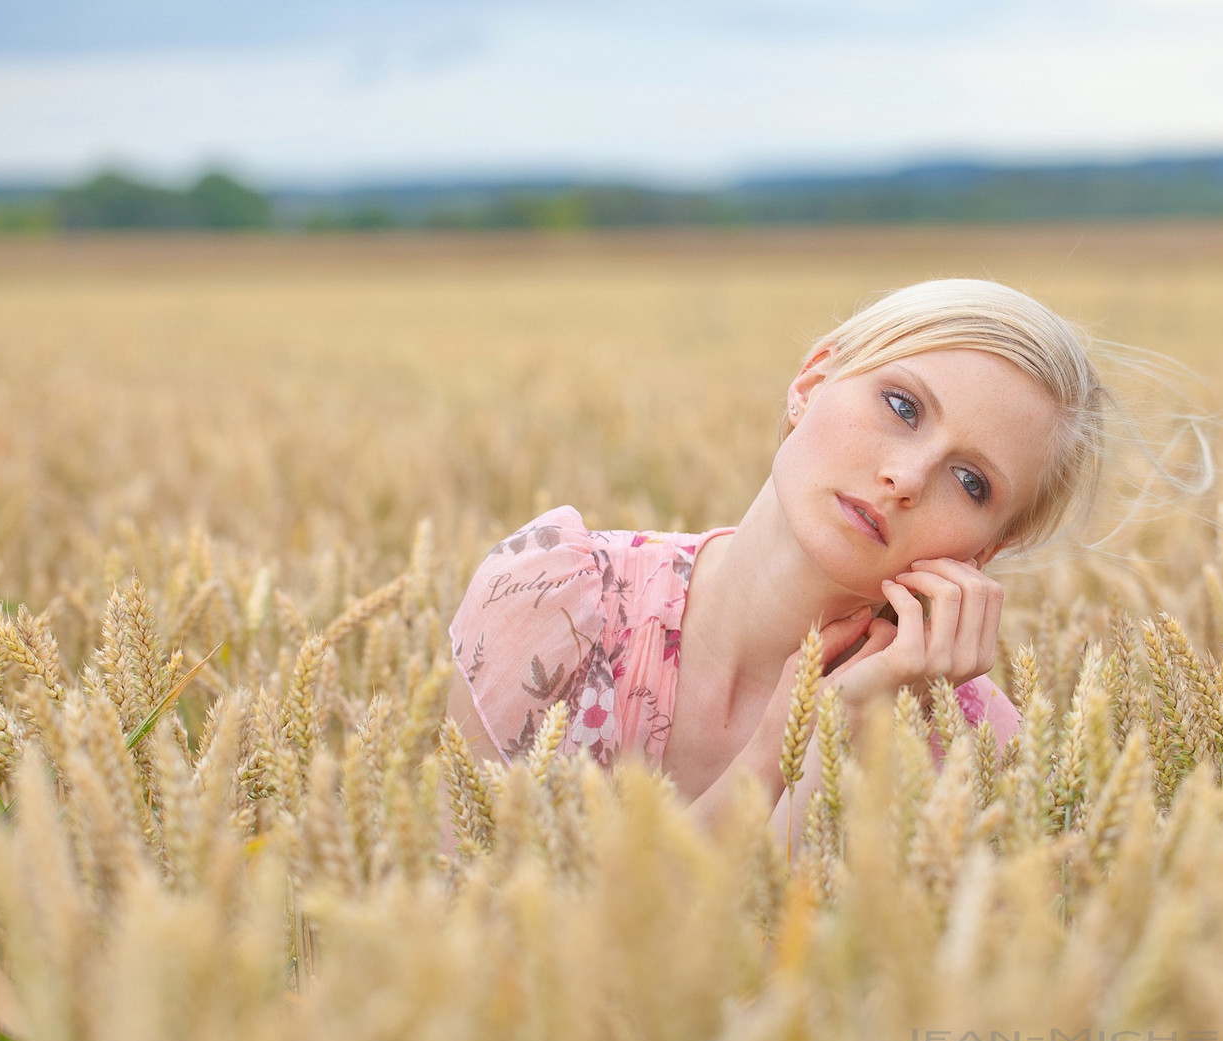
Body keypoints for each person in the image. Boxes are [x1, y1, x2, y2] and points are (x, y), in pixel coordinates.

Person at [445, 278, 1115, 840]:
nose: (908, 478)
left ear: (984, 552)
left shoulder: (981, 757)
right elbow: (464, 934)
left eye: (971, 483)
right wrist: (775, 755)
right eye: (903, 406)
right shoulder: (554, 601)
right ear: (811, 380)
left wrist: (848, 732)